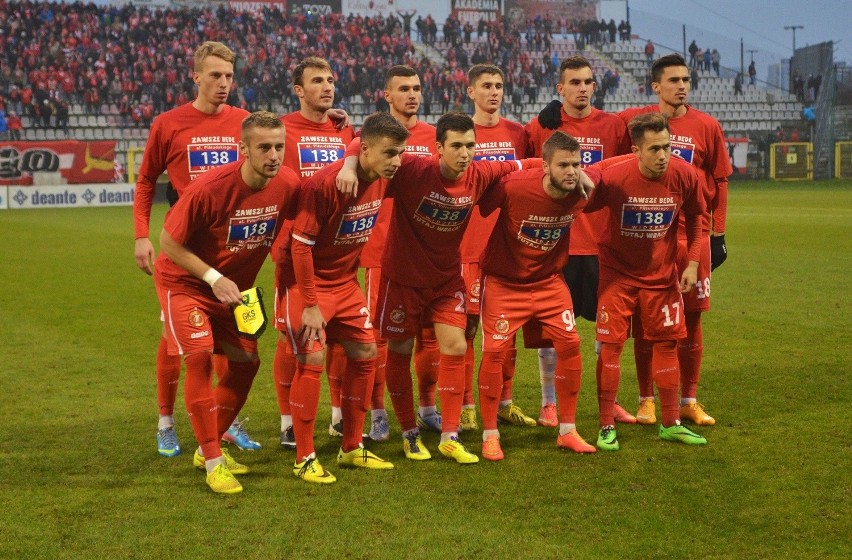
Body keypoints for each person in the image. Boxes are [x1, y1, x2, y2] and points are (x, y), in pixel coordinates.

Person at [336, 113, 574, 464]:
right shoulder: (412, 170)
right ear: (438, 148)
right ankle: (409, 433)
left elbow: (529, 162)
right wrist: (347, 164)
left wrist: (575, 172)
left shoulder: (480, 173)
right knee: (398, 351)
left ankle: (449, 435)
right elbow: (365, 142)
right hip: (402, 279)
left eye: (470, 145)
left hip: (446, 280)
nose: (465, 153)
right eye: (457, 146)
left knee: (456, 346)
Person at [154, 111, 300, 493]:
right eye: (264, 147)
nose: (273, 155)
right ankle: (214, 461)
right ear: (243, 148)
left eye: (279, 147)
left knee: (246, 363)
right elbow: (168, 242)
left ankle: (209, 445)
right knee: (200, 356)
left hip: (235, 292)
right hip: (185, 283)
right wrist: (214, 278)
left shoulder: (286, 184)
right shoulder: (210, 188)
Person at [133, 41, 260, 458]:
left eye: (229, 76)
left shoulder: (245, 122)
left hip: (235, 253)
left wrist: (336, 127)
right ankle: (166, 422)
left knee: (234, 340)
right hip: (184, 251)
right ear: (195, 76)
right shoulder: (169, 124)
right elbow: (147, 179)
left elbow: (280, 147)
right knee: (180, 343)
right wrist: (141, 235)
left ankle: (227, 421)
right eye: (215, 75)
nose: (223, 83)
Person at [278, 112, 409, 483]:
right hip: (307, 283)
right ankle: (304, 456)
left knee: (366, 352)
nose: (396, 161)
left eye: (399, 153)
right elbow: (300, 247)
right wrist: (310, 304)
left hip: (345, 283)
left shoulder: (384, 174)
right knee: (312, 358)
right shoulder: (325, 185)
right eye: (389, 154)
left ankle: (351, 447)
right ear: (365, 150)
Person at [618, 54, 732, 426]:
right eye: (673, 80)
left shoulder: (707, 125)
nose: (682, 85)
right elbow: (595, 121)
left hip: (692, 236)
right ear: (656, 86)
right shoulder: (639, 122)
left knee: (694, 319)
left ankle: (689, 399)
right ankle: (645, 399)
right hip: (650, 236)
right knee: (645, 320)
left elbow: (720, 180)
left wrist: (719, 234)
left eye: (686, 79)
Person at [583, 112, 708, 451]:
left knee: (667, 345)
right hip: (617, 275)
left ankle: (671, 423)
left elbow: (697, 218)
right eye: (654, 149)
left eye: (667, 147)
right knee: (611, 348)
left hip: (661, 276)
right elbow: (581, 200)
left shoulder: (685, 174)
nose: (663, 155)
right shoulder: (615, 178)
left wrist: (693, 262)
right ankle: (606, 425)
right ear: (636, 150)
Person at [476, 131, 598, 460]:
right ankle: (490, 434)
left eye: (577, 164)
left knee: (571, 343)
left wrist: (587, 172)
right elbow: (483, 203)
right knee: (494, 353)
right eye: (563, 165)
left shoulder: (584, 189)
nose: (571, 172)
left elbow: (617, 166)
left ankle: (568, 430)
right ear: (545, 166)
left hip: (548, 281)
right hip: (504, 281)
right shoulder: (515, 186)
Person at [527, 56, 634, 427]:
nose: (583, 88)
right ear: (560, 89)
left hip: (603, 243)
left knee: (609, 331)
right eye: (574, 82)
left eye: (588, 81)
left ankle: (611, 401)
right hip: (558, 245)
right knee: (553, 332)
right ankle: (548, 403)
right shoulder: (542, 127)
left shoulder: (613, 125)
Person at [274, 56, 355, 450]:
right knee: (293, 339)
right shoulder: (282, 130)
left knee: (339, 338)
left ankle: (338, 415)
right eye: (316, 81)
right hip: (295, 250)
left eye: (330, 80)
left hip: (339, 251)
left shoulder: (344, 131)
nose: (326, 86)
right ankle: (288, 421)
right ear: (298, 90)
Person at [361, 65, 440, 443]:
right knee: (380, 336)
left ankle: (427, 408)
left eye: (417, 88)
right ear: (386, 95)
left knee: (429, 336)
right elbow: (351, 157)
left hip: (426, 253)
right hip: (381, 248)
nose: (412, 94)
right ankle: (378, 414)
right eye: (403, 89)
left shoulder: (432, 135)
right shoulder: (372, 135)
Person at [459, 63, 534, 431]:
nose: (494, 92)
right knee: (468, 326)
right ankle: (467, 405)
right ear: (470, 91)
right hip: (469, 244)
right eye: (486, 85)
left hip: (509, 244)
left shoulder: (519, 133)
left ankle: (505, 400)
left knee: (510, 327)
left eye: (499, 85)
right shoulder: (459, 132)